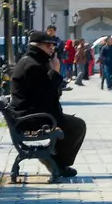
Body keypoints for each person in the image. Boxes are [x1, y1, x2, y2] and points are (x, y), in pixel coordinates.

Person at [8, 31, 86, 177]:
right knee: (77, 126)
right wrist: (55, 71)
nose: (52, 48)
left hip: (33, 113)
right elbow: (46, 95)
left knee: (73, 124)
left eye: (53, 45)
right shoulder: (32, 65)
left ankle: (56, 161)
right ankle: (58, 164)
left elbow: (49, 93)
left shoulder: (35, 61)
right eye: (48, 45)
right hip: (32, 118)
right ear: (37, 46)